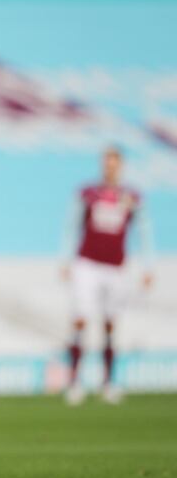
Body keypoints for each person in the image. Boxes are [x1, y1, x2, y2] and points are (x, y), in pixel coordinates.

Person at [62, 146, 154, 405]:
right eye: (106, 162)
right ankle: (75, 381)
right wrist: (66, 259)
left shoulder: (132, 197)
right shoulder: (88, 193)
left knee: (111, 323)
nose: (110, 167)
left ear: (120, 166)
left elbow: (143, 231)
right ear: (102, 165)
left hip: (116, 266)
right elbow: (72, 225)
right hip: (87, 263)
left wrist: (148, 265)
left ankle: (108, 381)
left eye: (114, 163)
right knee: (81, 319)